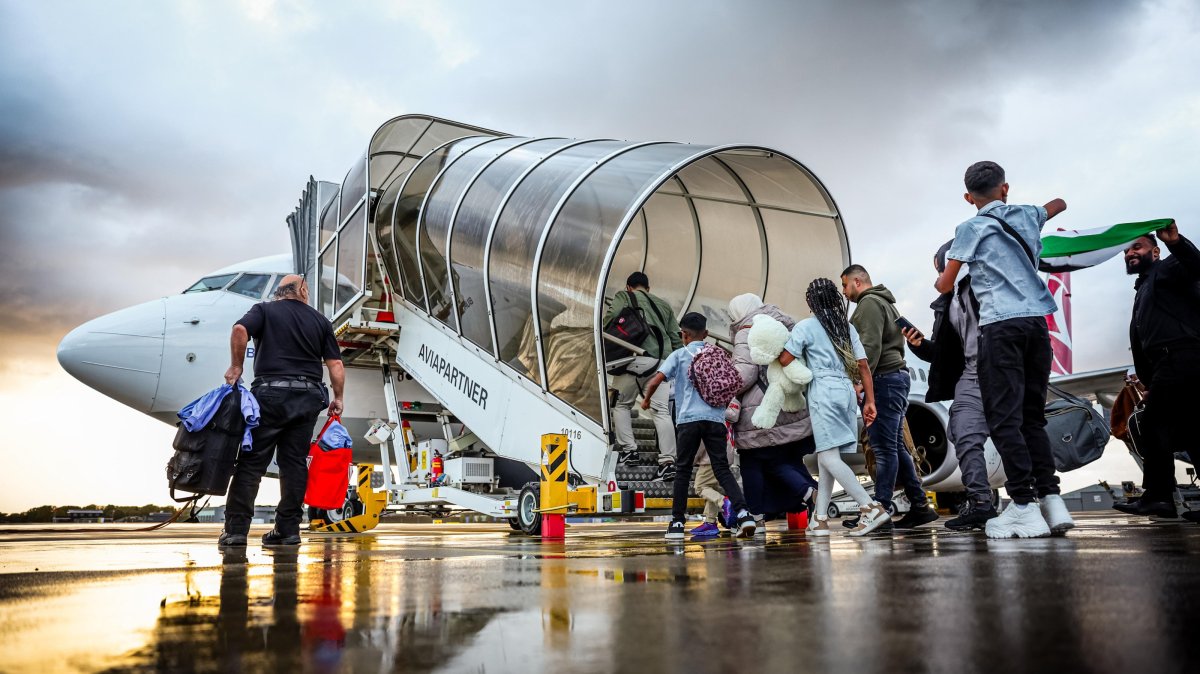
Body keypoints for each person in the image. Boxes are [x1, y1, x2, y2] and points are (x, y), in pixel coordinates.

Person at [936, 160, 1073, 539]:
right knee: (1033, 418)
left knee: (1004, 420)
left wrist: (944, 274)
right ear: (1005, 188)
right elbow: (1058, 204)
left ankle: (1024, 507)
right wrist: (1044, 210)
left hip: (1001, 326)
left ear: (968, 197)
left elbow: (945, 285)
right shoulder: (1027, 214)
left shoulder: (970, 228)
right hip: (1037, 326)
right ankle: (1052, 500)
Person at [219, 274, 345, 547]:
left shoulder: (263, 310)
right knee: (295, 465)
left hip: (270, 394)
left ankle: (236, 531)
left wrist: (236, 365)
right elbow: (335, 364)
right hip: (309, 396)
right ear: (301, 290)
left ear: (280, 292)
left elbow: (240, 330)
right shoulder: (321, 321)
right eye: (308, 290)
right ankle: (288, 531)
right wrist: (338, 397)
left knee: (252, 463)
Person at [777, 278, 890, 537]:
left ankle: (870, 507)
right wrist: (870, 401)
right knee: (828, 455)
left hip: (823, 390)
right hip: (846, 391)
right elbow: (863, 365)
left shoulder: (806, 326)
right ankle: (819, 519)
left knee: (828, 456)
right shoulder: (846, 327)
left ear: (811, 302)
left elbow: (785, 359)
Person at [902, 241, 997, 530]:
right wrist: (919, 346)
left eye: (941, 268)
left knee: (1010, 433)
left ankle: (1030, 498)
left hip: (999, 368)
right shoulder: (946, 305)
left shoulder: (993, 290)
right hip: (969, 374)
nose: (938, 276)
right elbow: (942, 355)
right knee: (962, 430)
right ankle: (981, 503)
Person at [641, 312, 756, 539]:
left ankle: (676, 523)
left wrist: (646, 400)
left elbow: (655, 380)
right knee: (722, 469)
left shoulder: (679, 355)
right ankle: (744, 513)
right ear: (705, 333)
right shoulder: (717, 353)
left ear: (683, 334)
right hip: (715, 420)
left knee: (683, 470)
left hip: (688, 421)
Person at [1114, 222, 1200, 523]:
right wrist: (1151, 382)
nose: (1129, 253)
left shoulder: (1168, 270)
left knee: (1154, 423)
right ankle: (1160, 498)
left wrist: (1176, 241)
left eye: (1136, 247)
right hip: (1171, 365)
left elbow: (1195, 263)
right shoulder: (1145, 287)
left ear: (1155, 250)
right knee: (1191, 431)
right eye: (1126, 250)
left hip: (1183, 356)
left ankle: (1158, 498)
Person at [841, 265, 938, 529]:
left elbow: (868, 347)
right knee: (895, 446)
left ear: (857, 281)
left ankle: (879, 510)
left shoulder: (869, 304)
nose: (844, 292)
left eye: (845, 285)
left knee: (883, 449)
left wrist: (860, 381)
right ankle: (919, 506)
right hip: (893, 378)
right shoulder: (886, 302)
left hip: (882, 380)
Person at [727, 293, 818, 525]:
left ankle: (757, 514)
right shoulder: (781, 323)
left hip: (760, 410)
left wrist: (723, 384)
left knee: (754, 461)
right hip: (790, 403)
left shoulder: (747, 329)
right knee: (783, 458)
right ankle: (807, 494)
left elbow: (744, 374)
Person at [606, 272, 684, 482]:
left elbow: (609, 319)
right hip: (660, 363)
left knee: (621, 405)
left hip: (633, 358)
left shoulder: (624, 297)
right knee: (661, 412)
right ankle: (667, 463)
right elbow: (675, 338)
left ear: (629, 287)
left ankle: (630, 451)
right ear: (648, 288)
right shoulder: (663, 304)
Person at [689, 433, 738, 537]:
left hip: (709, 459)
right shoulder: (720, 419)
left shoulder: (704, 418)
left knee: (700, 487)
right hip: (724, 457)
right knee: (711, 489)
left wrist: (690, 460)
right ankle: (710, 522)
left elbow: (699, 444)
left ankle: (724, 501)